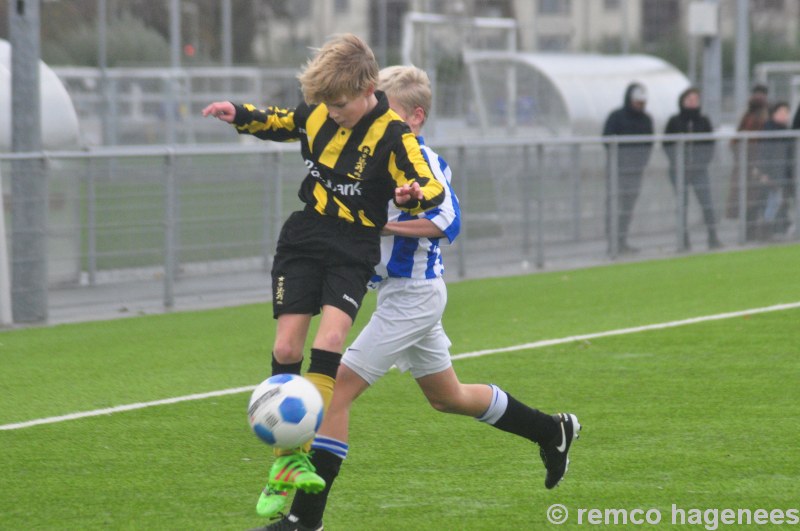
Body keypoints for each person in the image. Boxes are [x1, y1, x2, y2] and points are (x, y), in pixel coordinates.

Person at [254, 65, 581, 531]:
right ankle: (553, 430)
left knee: (336, 389)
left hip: (415, 296)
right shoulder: (362, 151)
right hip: (395, 294)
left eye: (388, 112)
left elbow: (448, 223)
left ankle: (304, 522)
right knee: (448, 397)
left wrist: (380, 225)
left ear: (416, 117)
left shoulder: (425, 162)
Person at [202, 33, 446, 512]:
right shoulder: (317, 111)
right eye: (326, 104)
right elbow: (281, 120)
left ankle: (302, 453)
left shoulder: (394, 134)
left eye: (339, 104)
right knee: (286, 347)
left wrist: (413, 193)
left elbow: (430, 185)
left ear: (367, 87)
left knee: (330, 341)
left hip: (353, 247)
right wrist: (239, 114)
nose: (332, 112)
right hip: (305, 236)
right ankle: (285, 462)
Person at [663, 87, 722, 250]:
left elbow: (710, 146)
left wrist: (699, 163)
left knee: (707, 203)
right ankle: (684, 240)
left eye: (695, 99)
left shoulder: (704, 121)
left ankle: (713, 237)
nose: (692, 102)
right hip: (679, 172)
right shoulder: (674, 121)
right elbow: (666, 144)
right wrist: (678, 162)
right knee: (682, 205)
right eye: (689, 99)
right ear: (682, 101)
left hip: (699, 171)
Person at [602, 82, 654, 255]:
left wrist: (640, 162)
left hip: (635, 172)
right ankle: (612, 242)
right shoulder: (616, 117)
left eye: (642, 103)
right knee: (614, 205)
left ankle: (622, 240)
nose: (640, 105)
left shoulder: (646, 120)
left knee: (627, 208)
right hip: (617, 170)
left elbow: (649, 143)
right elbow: (607, 139)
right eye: (637, 102)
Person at [726, 86, 769, 227]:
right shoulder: (751, 119)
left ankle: (755, 229)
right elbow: (736, 142)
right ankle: (750, 232)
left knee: (755, 198)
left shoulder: (755, 117)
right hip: (750, 165)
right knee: (750, 198)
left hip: (755, 164)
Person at [753, 101, 794, 239]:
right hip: (772, 174)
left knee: (778, 201)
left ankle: (776, 229)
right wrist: (763, 173)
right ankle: (765, 231)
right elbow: (763, 154)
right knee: (773, 201)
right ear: (774, 114)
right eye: (781, 112)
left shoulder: (787, 132)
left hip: (784, 174)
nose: (784, 116)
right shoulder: (769, 131)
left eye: (786, 113)